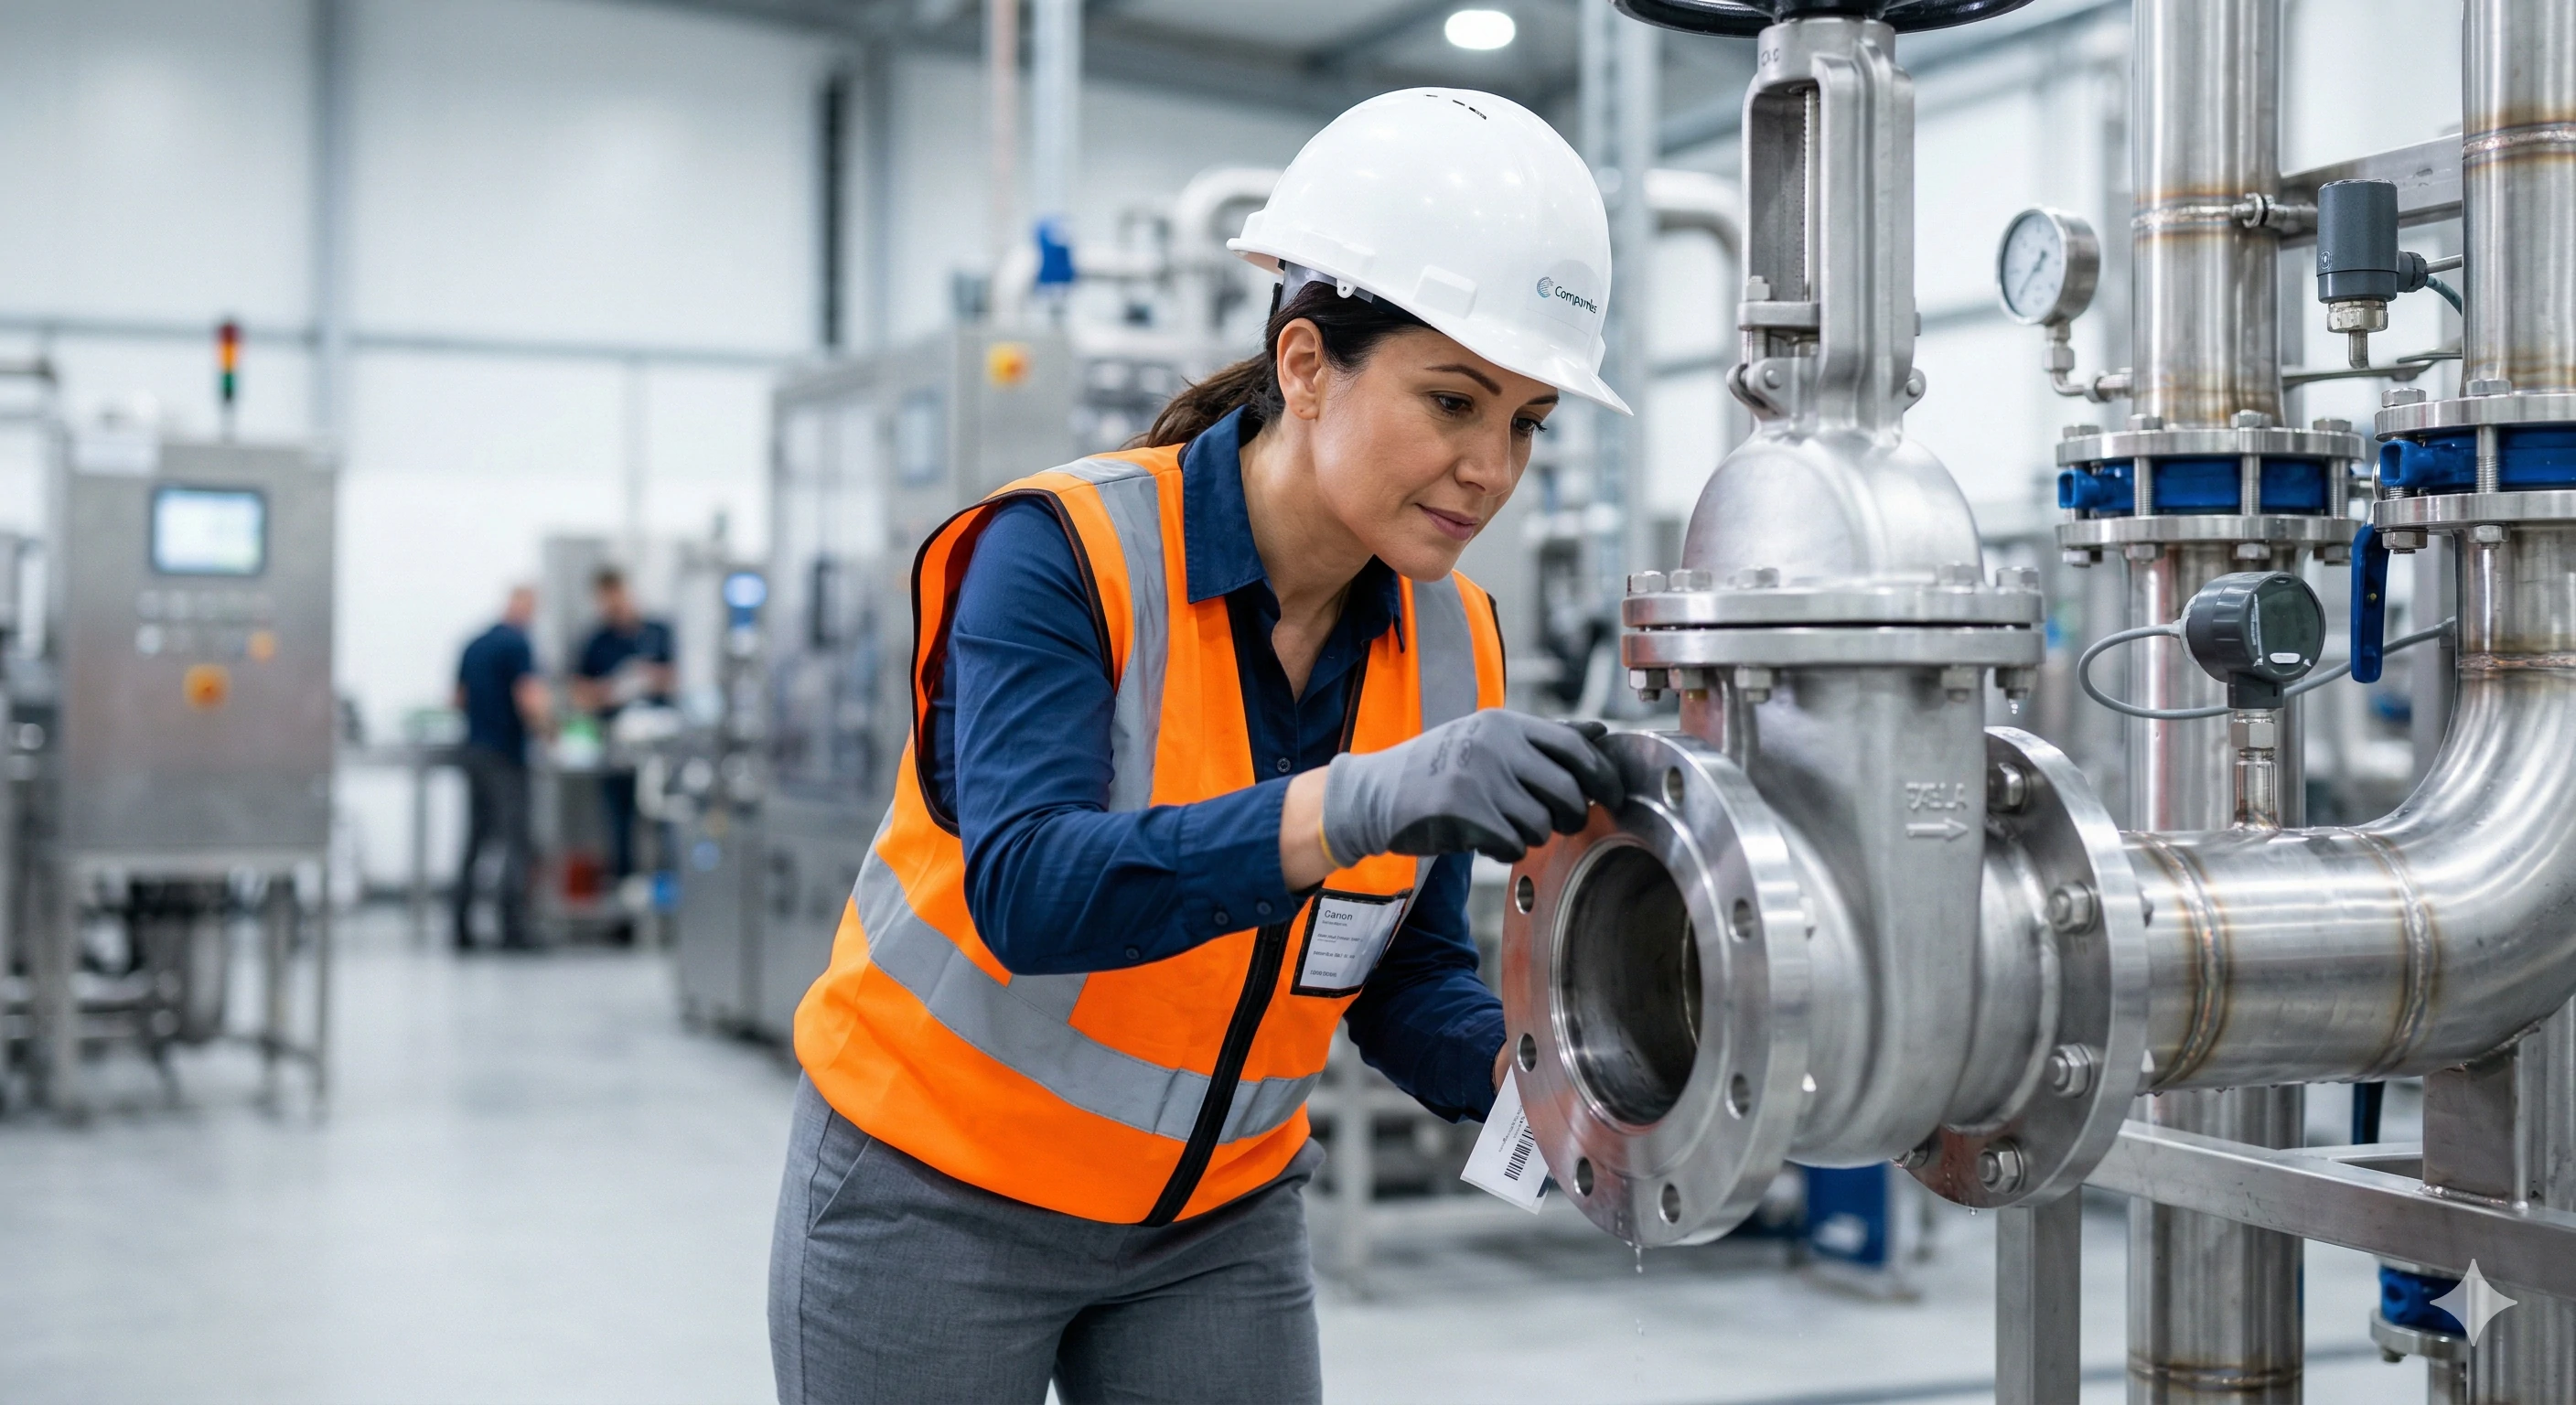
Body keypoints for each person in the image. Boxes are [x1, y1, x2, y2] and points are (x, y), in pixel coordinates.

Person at [769, 88, 1630, 1405]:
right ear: (1304, 364)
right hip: (937, 1192)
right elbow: (1032, 890)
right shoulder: (1060, 557)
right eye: (1452, 400)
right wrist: (1360, 800)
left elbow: (1397, 973)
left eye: (1524, 422)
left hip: (1218, 1220)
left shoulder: (1456, 640)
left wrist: (1577, 1090)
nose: (1490, 468)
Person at [453, 585, 550, 951]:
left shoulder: (473, 644)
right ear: (526, 608)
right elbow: (530, 699)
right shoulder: (518, 645)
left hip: (474, 751)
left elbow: (458, 698)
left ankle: (461, 927)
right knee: (515, 840)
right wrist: (548, 731)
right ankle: (513, 928)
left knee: (476, 839)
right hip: (506, 755)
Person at [572, 566, 675, 895]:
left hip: (661, 746)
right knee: (620, 820)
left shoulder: (659, 632)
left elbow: (683, 675)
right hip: (617, 744)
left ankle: (667, 890)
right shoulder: (596, 642)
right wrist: (612, 689)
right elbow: (580, 692)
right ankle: (624, 891)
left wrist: (650, 677)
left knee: (665, 816)